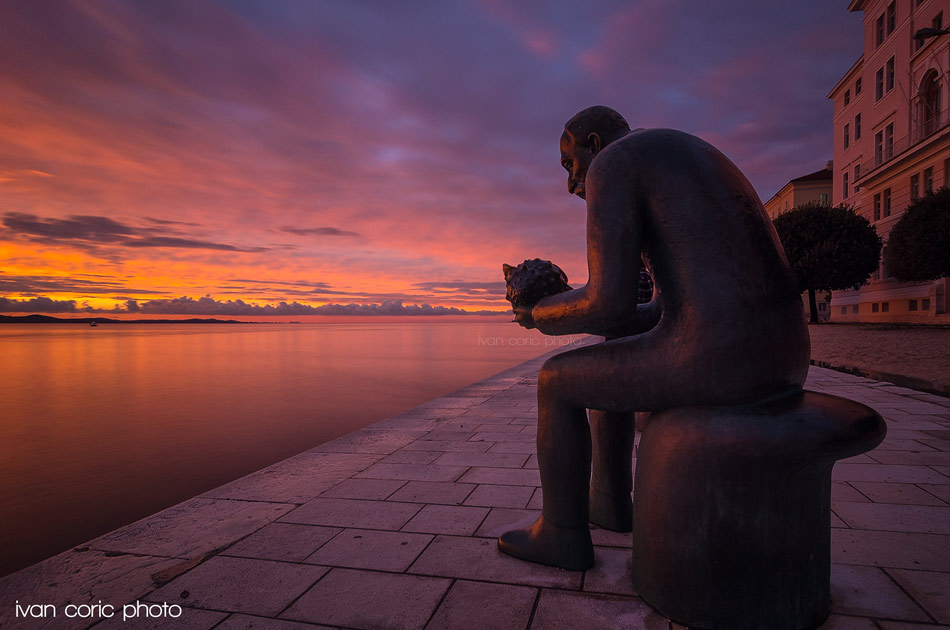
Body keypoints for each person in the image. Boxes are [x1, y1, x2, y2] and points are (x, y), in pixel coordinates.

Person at [498, 106, 810, 571]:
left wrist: (539, 312)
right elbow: (661, 310)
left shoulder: (614, 163)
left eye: (570, 164)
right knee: (609, 356)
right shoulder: (675, 148)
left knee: (556, 380)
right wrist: (593, 318)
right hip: (780, 352)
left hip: (720, 355)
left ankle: (561, 536)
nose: (570, 185)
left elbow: (610, 303)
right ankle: (608, 504)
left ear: (594, 144)